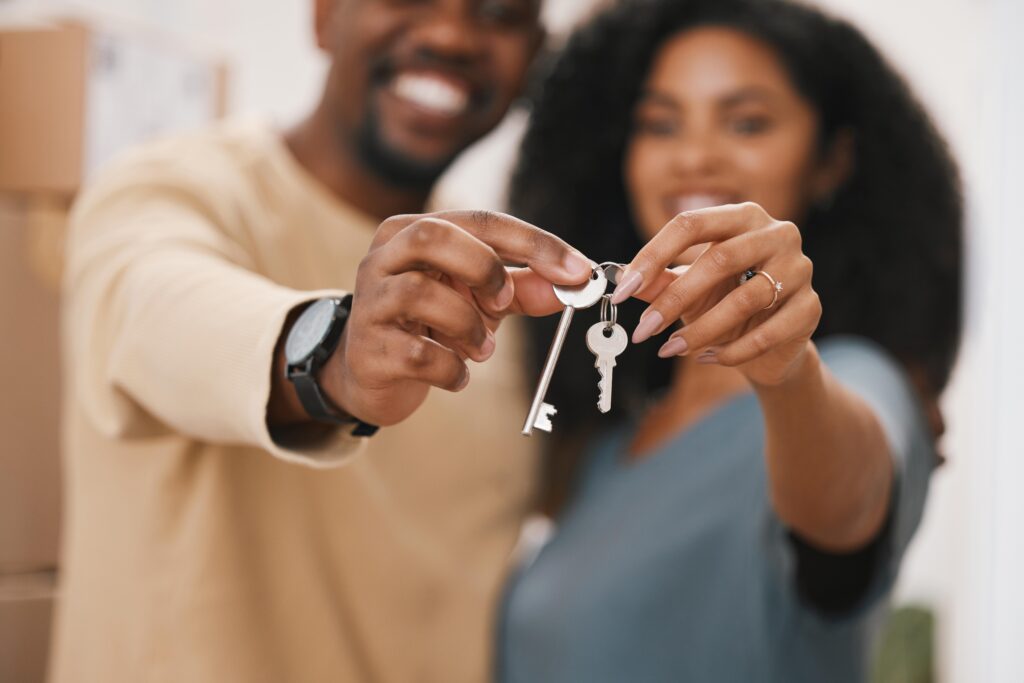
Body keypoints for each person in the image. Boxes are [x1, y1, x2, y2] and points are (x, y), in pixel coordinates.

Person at [49, 1, 597, 681]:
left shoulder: (512, 298)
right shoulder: (172, 191)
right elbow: (153, 307)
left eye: (499, 12)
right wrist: (332, 357)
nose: (451, 34)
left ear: (534, 57)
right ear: (325, 16)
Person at [500, 0, 962, 680]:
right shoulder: (605, 448)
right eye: (660, 124)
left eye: (747, 122)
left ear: (832, 161)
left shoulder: (855, 378)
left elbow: (851, 501)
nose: (694, 156)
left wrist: (788, 371)